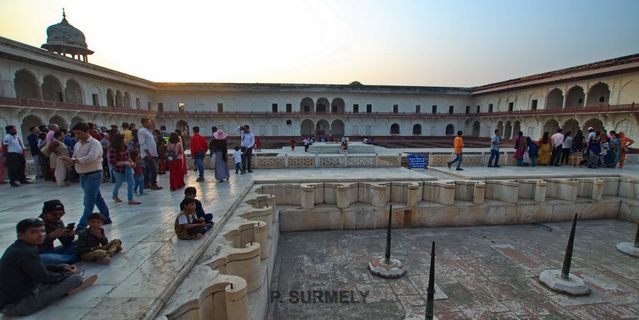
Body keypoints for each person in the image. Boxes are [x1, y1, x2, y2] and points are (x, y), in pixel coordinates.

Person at [0, 218, 97, 316]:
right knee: (75, 278)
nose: (41, 235)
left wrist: (61, 269)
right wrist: (67, 274)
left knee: (62, 266)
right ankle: (68, 289)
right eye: (34, 232)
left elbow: (37, 268)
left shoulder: (20, 247)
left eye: (42, 231)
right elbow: (46, 278)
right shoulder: (25, 252)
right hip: (19, 305)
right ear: (20, 235)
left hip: (14, 298)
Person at [60, 122, 112, 230]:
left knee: (88, 201)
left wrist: (75, 160)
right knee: (97, 198)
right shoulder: (78, 144)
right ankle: (106, 217)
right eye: (75, 134)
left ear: (86, 132)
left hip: (93, 174)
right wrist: (71, 160)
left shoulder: (94, 143)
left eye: (79, 133)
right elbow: (75, 157)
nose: (77, 136)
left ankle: (82, 225)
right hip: (83, 175)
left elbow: (91, 158)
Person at [38, 200, 80, 266]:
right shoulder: (37, 224)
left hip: (52, 251)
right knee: (44, 259)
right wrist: (51, 236)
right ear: (45, 213)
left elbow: (66, 242)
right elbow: (32, 244)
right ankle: (73, 257)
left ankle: (64, 258)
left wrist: (69, 235)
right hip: (40, 253)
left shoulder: (58, 222)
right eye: (54, 215)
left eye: (61, 214)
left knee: (80, 242)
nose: (58, 217)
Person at [109, 132, 140, 205]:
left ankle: (130, 199)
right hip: (118, 170)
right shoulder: (113, 149)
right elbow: (113, 162)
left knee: (131, 182)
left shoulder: (125, 146)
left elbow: (128, 157)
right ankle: (114, 195)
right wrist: (125, 163)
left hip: (127, 168)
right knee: (119, 183)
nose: (125, 139)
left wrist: (132, 163)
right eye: (124, 138)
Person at [138, 118, 162, 190]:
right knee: (154, 168)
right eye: (149, 122)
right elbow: (142, 143)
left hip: (152, 153)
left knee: (147, 169)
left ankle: (146, 183)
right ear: (144, 123)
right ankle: (153, 183)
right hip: (147, 154)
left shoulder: (149, 131)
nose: (150, 124)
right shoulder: (141, 131)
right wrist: (148, 153)